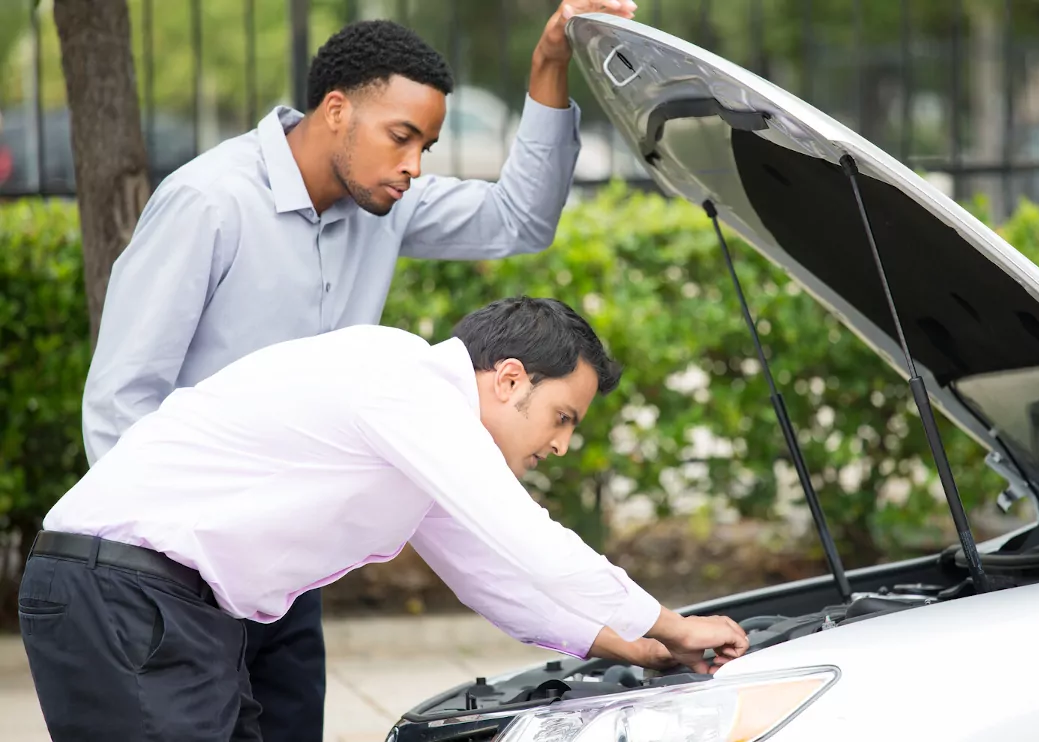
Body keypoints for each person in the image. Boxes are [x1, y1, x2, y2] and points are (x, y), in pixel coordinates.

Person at [77, 3, 637, 740]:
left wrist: (550, 66)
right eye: (401, 137)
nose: (413, 165)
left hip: (285, 575)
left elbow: (519, 220)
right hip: (178, 572)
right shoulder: (208, 203)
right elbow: (123, 398)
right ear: (336, 111)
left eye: (427, 147)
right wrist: (165, 577)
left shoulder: (387, 203)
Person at [20, 297, 750, 742]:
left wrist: (627, 646)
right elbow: (532, 545)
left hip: (177, 612)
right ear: (508, 379)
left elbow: (494, 575)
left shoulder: (423, 436)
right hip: (122, 594)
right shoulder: (404, 383)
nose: (560, 443)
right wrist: (675, 626)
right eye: (563, 417)